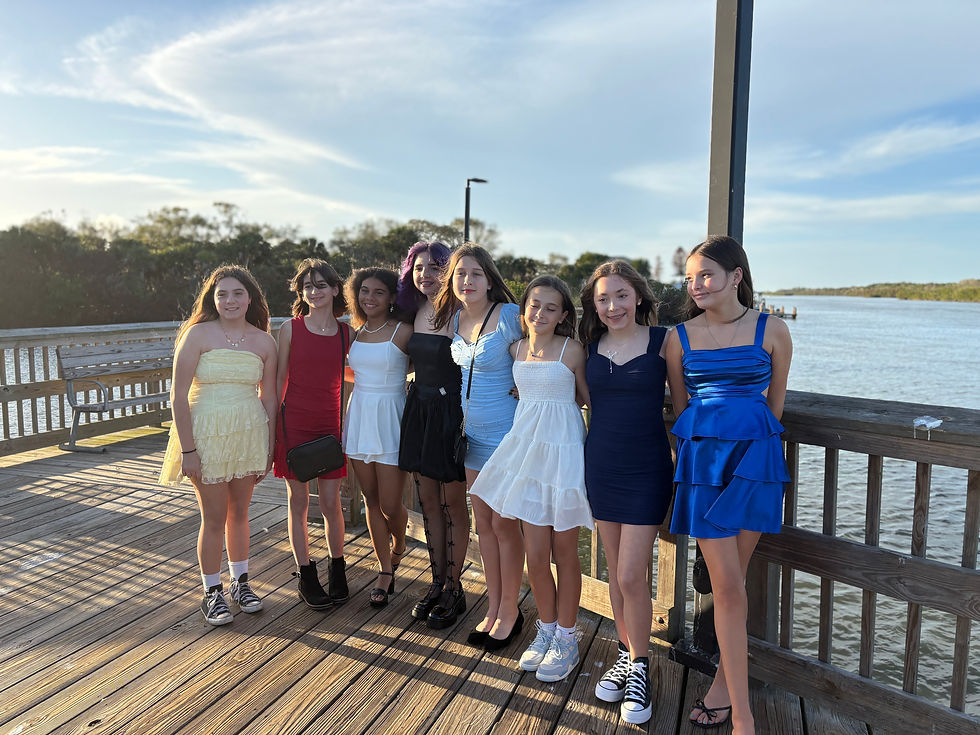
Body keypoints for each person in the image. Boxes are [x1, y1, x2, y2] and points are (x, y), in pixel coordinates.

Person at [665, 235, 792, 734]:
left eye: (706, 275)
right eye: (690, 278)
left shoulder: (773, 329)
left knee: (732, 586)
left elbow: (775, 407)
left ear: (736, 276)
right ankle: (744, 717)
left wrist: (751, 447)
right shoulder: (678, 337)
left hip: (757, 463)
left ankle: (723, 688)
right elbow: (682, 409)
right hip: (703, 464)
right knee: (728, 586)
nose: (696, 285)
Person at [469, 275, 592, 682]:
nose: (540, 313)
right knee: (536, 555)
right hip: (527, 454)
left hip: (564, 454)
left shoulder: (572, 351)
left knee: (565, 551)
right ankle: (547, 628)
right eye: (534, 305)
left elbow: (587, 398)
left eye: (551, 308)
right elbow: (483, 374)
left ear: (563, 315)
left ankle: (568, 636)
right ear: (523, 310)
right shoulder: (515, 348)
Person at [580, 260, 674, 725]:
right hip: (601, 466)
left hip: (647, 469)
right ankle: (626, 652)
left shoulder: (664, 341)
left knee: (632, 575)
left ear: (638, 296)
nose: (612, 306)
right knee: (617, 575)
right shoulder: (588, 346)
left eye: (620, 295)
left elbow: (684, 406)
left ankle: (640, 666)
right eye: (603, 299)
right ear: (594, 306)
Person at [159, 265, 278, 626]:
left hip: (248, 435)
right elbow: (178, 397)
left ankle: (241, 583)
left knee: (239, 512)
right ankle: (212, 592)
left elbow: (269, 397)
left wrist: (269, 447)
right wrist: (188, 451)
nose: (230, 300)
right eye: (222, 294)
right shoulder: (196, 334)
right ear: (213, 299)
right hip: (205, 435)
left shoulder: (265, 342)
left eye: (238, 293)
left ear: (250, 298)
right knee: (213, 517)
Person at [432, 243, 522, 650]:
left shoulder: (508, 315)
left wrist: (527, 384)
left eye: (476, 273)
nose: (467, 280)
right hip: (472, 437)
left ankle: (511, 611)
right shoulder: (455, 319)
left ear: (490, 279)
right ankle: (494, 605)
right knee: (483, 524)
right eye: (460, 273)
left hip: (507, 436)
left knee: (504, 525)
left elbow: (545, 349)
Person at [395, 241, 470, 629]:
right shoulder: (411, 312)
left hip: (451, 414)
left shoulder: (463, 313)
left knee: (452, 503)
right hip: (420, 410)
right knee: (427, 500)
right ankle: (437, 582)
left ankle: (456, 588)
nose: (426, 275)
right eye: (419, 268)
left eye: (436, 268)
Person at [273, 259, 351, 610]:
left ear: (335, 289)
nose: (314, 292)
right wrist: (272, 428)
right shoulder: (290, 329)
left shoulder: (347, 333)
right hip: (294, 424)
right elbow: (279, 380)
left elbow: (359, 371)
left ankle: (338, 567)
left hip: (330, 425)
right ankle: (306, 574)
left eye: (321, 285)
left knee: (332, 503)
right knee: (299, 502)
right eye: (307, 286)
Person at [343, 267, 413, 608]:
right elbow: (352, 371)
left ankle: (400, 544)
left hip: (391, 418)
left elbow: (427, 364)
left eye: (378, 292)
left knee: (390, 504)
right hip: (360, 415)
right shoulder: (354, 333)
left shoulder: (404, 331)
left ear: (392, 297)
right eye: (364, 291)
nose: (369, 298)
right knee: (370, 499)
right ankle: (385, 569)